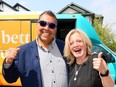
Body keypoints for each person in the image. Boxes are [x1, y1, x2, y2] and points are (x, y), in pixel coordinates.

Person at [2, 10, 69, 87]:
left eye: (51, 25)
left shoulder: (65, 48)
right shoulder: (23, 52)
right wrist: (8, 62)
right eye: (43, 23)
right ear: (37, 24)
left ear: (56, 29)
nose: (46, 28)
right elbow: (10, 79)